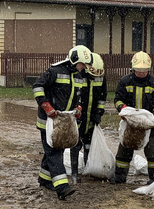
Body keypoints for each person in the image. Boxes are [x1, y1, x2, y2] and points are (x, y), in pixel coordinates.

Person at [32, 45, 92, 200]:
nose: (83, 67)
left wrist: (78, 108)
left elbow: (78, 97)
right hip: (49, 121)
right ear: (73, 60)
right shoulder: (55, 71)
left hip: (64, 120)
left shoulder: (79, 76)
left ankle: (44, 180)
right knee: (54, 151)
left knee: (52, 150)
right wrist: (47, 106)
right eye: (82, 64)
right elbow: (38, 87)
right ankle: (62, 187)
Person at [110, 51, 154, 185]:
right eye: (138, 70)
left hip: (150, 124)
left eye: (144, 70)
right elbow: (118, 99)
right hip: (130, 124)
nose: (141, 73)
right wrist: (123, 110)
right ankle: (120, 177)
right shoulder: (125, 81)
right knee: (125, 148)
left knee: (152, 150)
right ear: (133, 68)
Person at [69, 52, 107, 183]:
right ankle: (74, 173)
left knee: (89, 143)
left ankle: (88, 167)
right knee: (75, 143)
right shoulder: (78, 75)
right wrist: (76, 110)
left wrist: (99, 112)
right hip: (79, 115)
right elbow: (73, 95)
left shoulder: (100, 76)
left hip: (92, 116)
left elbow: (102, 97)